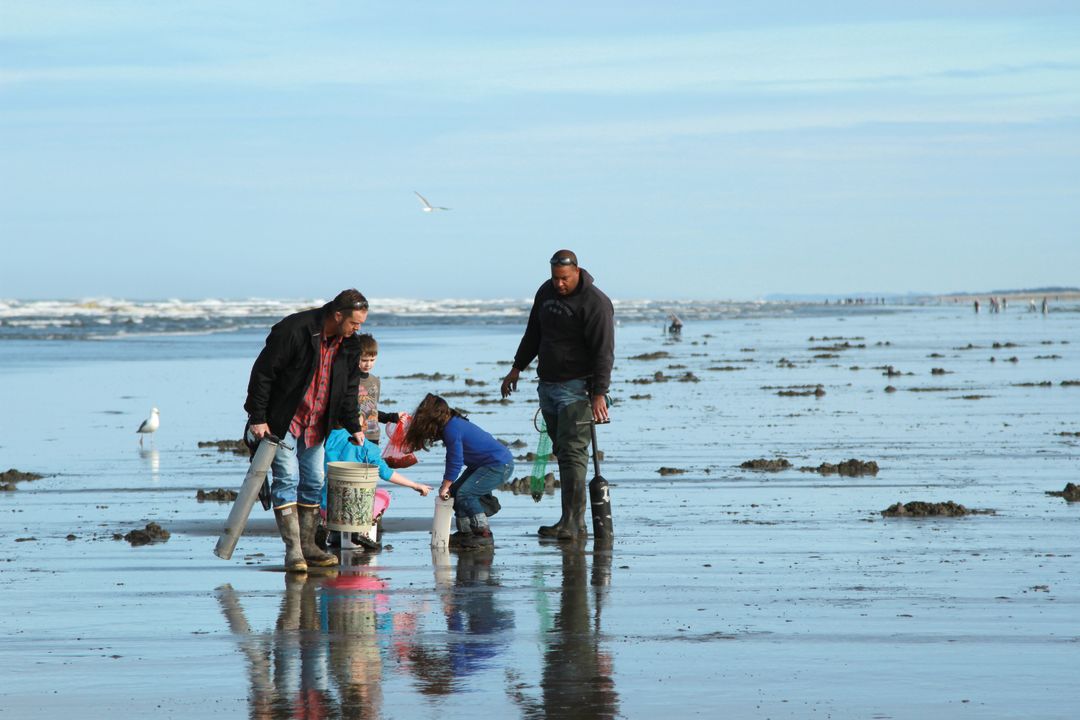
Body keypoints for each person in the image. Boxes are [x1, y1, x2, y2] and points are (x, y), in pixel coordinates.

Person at [244, 289, 369, 572]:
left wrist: (353, 424)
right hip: (282, 419)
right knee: (287, 477)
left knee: (314, 480)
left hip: (317, 422)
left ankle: (310, 546)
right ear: (338, 316)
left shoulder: (350, 345)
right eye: (354, 323)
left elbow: (349, 389)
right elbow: (263, 373)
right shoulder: (294, 330)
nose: (357, 329)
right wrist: (258, 417)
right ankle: (294, 551)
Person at [500, 249, 615, 541]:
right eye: (555, 278)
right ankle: (571, 521)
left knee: (575, 453)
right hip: (548, 384)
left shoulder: (596, 303)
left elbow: (604, 352)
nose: (559, 284)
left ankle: (573, 523)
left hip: (578, 389)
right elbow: (533, 333)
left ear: (577, 271)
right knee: (563, 452)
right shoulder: (546, 292)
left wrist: (599, 393)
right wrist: (517, 368)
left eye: (564, 279)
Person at [403, 394, 514, 550]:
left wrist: (445, 485)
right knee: (456, 491)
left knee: (466, 494)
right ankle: (466, 533)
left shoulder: (452, 429)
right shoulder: (451, 425)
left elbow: (455, 460)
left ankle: (483, 534)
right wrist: (449, 487)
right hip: (484, 464)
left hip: (499, 464)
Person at [321, 425, 431, 549]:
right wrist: (415, 485)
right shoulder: (367, 447)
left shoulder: (326, 437)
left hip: (326, 509)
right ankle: (360, 532)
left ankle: (332, 531)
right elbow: (386, 473)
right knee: (383, 495)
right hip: (354, 514)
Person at [354, 333, 401, 445]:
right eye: (364, 360)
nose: (368, 364)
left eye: (372, 360)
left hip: (373, 434)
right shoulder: (349, 381)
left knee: (371, 463)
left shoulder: (375, 381)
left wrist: (393, 417)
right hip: (354, 434)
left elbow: (372, 411)